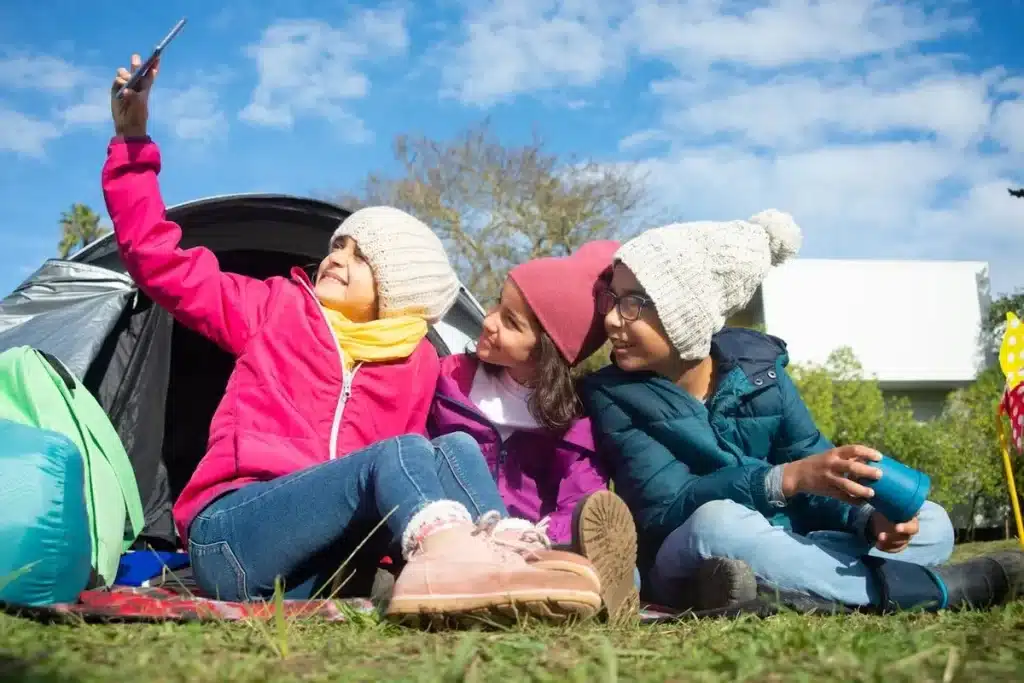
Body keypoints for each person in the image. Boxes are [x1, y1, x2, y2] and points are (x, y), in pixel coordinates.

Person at [105, 54, 601, 623]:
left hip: (325, 562)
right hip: (235, 536)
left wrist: (550, 351)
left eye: (361, 256)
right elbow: (159, 262)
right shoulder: (275, 310)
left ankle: (511, 563)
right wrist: (133, 143)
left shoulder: (418, 362)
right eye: (338, 245)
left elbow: (493, 408)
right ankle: (449, 565)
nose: (336, 256)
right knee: (396, 452)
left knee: (455, 447)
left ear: (396, 289)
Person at [579, 210, 1024, 613]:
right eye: (613, 300)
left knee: (932, 522)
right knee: (718, 524)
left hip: (787, 539)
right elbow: (667, 509)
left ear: (686, 317)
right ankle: (931, 590)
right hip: (684, 548)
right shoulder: (614, 397)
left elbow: (818, 464)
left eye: (633, 303)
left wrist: (871, 520)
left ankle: (790, 588)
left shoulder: (762, 374)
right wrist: (784, 479)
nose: (613, 320)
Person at [429, 242, 640, 619]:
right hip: (454, 536)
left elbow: (579, 501)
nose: (489, 320)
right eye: (496, 304)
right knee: (455, 447)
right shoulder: (448, 379)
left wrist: (547, 538)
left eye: (511, 322)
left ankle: (584, 591)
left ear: (547, 353)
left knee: (624, 573)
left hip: (529, 544)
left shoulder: (571, 421)